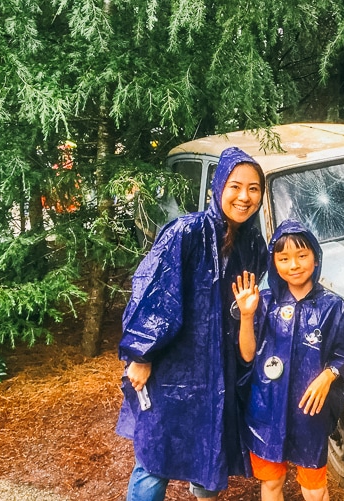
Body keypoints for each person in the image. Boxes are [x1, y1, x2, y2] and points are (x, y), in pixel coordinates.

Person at [116, 147, 268, 501]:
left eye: (253, 188)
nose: (244, 197)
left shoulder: (252, 243)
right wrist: (141, 355)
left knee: (209, 450)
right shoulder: (187, 232)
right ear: (218, 187)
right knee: (155, 458)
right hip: (173, 368)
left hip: (219, 371)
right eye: (235, 186)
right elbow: (154, 293)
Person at [232, 219, 344, 501]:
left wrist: (328, 376)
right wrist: (246, 315)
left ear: (315, 258)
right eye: (284, 258)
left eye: (302, 255)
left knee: (315, 489)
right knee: (271, 484)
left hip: (309, 413)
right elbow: (247, 355)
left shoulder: (332, 307)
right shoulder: (263, 302)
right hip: (266, 409)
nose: (294, 264)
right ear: (274, 263)